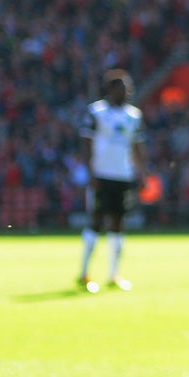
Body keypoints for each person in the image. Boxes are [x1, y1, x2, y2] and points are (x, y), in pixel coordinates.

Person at [77, 68, 145, 293]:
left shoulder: (133, 115)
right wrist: (90, 172)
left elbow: (136, 146)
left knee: (118, 224)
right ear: (112, 89)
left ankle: (113, 274)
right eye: (123, 87)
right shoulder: (96, 112)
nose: (127, 92)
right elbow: (86, 143)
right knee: (96, 222)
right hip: (102, 175)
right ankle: (84, 273)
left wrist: (141, 173)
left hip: (122, 175)